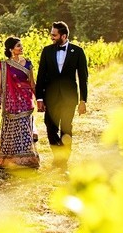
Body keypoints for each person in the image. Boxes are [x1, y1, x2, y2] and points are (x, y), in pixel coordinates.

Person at [35, 21, 88, 171]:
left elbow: (83, 78)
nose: (51, 37)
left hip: (69, 98)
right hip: (50, 97)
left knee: (66, 128)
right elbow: (41, 76)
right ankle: (58, 153)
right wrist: (39, 98)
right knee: (50, 127)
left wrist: (83, 100)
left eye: (54, 35)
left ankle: (63, 161)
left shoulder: (78, 51)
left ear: (63, 36)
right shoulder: (47, 51)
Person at [0, 36, 40, 169]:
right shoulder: (4, 65)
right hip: (11, 102)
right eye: (18, 46)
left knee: (25, 128)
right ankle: (11, 160)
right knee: (12, 129)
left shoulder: (28, 63)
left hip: (26, 100)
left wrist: (39, 100)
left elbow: (32, 83)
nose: (21, 48)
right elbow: (0, 85)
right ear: (11, 49)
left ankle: (27, 159)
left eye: (21, 45)